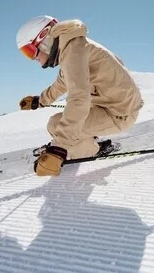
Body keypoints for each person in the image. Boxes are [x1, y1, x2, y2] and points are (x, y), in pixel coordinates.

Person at [16, 16, 144, 177]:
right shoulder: (73, 47)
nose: (34, 58)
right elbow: (61, 84)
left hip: (119, 113)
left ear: (45, 39)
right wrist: (39, 101)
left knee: (55, 125)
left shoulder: (73, 53)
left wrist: (59, 147)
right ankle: (84, 140)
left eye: (31, 51)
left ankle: (94, 149)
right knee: (59, 125)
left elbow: (79, 99)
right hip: (114, 104)